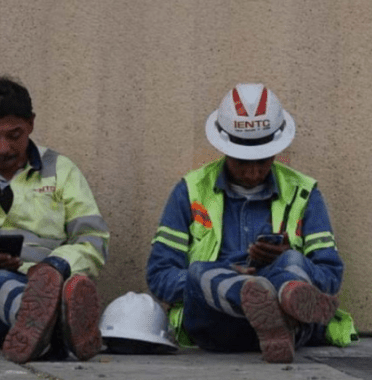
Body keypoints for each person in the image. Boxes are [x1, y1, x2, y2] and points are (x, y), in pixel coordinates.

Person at [146, 83, 343, 363]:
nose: (252, 172)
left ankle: (286, 294)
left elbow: (331, 276)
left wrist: (292, 261)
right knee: (198, 273)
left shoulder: (304, 192)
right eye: (242, 162)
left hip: (292, 330)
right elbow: (159, 275)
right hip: (216, 325)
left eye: (262, 162)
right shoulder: (190, 191)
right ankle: (276, 295)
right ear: (224, 149)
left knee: (292, 262)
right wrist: (229, 275)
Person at [0, 77, 109, 363]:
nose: (2, 148)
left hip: (50, 280)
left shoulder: (61, 170)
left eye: (14, 135)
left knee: (50, 287)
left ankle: (43, 330)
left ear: (31, 124)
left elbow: (93, 240)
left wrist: (55, 266)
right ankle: (52, 322)